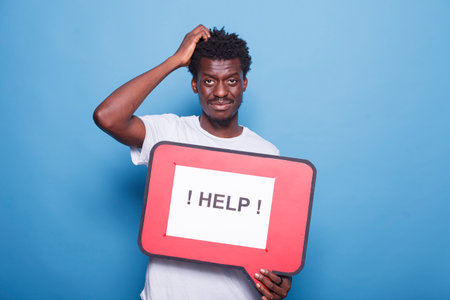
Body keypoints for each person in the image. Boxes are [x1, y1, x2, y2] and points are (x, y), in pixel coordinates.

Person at [93, 25, 292, 300]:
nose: (221, 92)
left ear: (244, 83)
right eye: (209, 81)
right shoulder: (168, 134)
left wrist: (280, 280)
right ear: (195, 84)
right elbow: (107, 116)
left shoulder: (267, 154)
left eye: (232, 81)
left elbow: (274, 244)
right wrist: (175, 60)